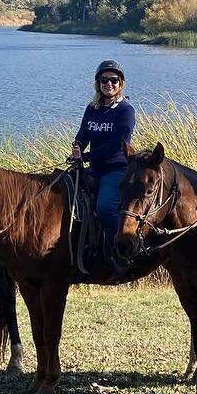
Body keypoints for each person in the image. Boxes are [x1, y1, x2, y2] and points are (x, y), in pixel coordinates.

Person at [70, 60, 136, 261]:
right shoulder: (92, 108)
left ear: (121, 83)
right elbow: (83, 133)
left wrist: (86, 156)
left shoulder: (126, 111)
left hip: (115, 169)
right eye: (104, 80)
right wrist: (77, 147)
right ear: (98, 83)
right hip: (93, 168)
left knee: (105, 207)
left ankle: (121, 251)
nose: (109, 84)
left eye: (114, 80)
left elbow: (117, 144)